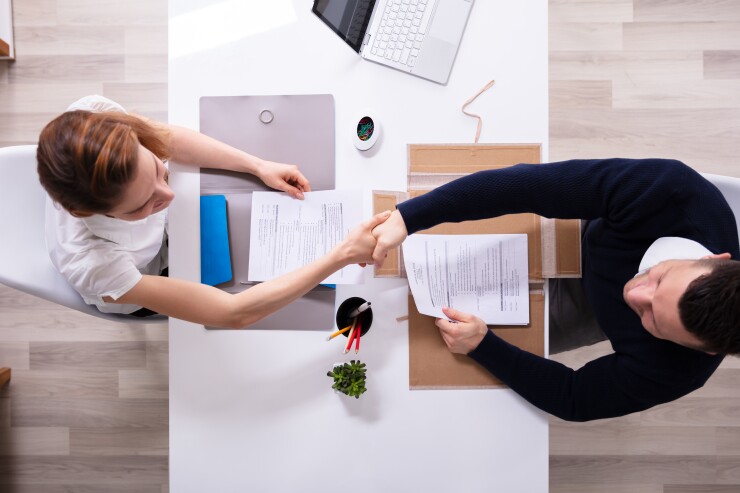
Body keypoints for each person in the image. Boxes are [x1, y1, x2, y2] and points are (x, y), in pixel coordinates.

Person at [370, 158, 740, 421]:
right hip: (597, 231)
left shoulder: (678, 371)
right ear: (717, 259)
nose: (633, 295)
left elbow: (574, 398)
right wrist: (409, 217)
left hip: (588, 311)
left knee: (416, 338)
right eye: (658, 277)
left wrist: (485, 347)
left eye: (652, 320)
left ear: (704, 352)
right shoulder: (671, 191)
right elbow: (525, 186)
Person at [38, 95, 389, 328]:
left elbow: (166, 139)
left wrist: (257, 165)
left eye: (158, 171)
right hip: (145, 280)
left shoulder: (94, 117)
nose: (169, 194)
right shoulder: (95, 266)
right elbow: (232, 312)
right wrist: (340, 255)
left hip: (165, 240)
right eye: (144, 204)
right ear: (92, 212)